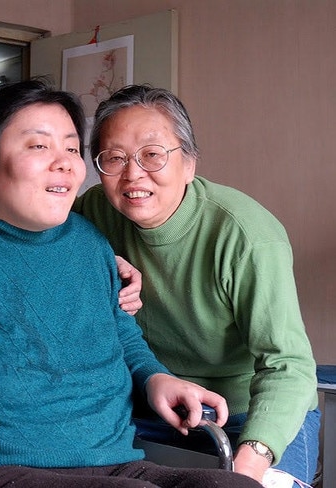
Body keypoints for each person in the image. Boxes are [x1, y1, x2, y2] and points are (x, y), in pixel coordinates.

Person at [0, 78, 262, 488]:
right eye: (39, 146)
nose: (63, 162)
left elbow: (121, 338)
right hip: (0, 469)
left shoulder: (91, 243)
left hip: (116, 462)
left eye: (71, 147)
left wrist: (156, 378)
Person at [73, 84, 320, 486]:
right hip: (151, 404)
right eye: (114, 158)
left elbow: (287, 365)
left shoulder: (245, 236)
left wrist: (249, 463)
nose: (133, 174)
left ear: (189, 164)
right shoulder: (93, 212)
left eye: (152, 155)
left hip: (247, 414)